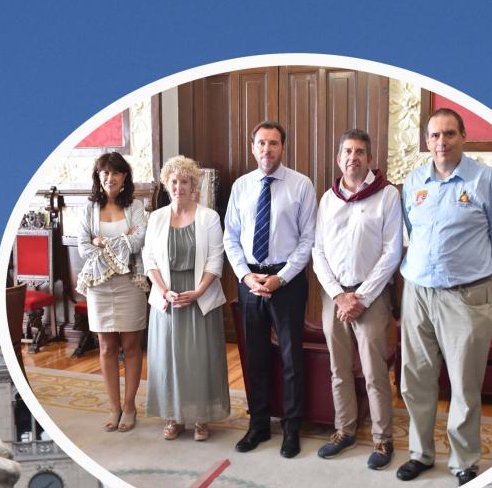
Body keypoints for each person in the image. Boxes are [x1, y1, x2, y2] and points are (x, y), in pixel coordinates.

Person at [397, 106, 492, 485]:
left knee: (463, 384)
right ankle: (420, 453)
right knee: (414, 380)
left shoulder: (487, 180)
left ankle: (464, 461)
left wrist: (469, 271)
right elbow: (411, 233)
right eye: (434, 135)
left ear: (463, 136)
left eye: (449, 134)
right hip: (417, 293)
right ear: (427, 141)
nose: (441, 142)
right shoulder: (413, 180)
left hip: (465, 296)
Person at [223, 120, 317, 457]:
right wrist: (246, 277)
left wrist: (282, 277)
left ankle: (292, 428)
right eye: (261, 143)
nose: (267, 149)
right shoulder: (242, 187)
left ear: (283, 147)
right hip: (250, 281)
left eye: (274, 143)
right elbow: (230, 237)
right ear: (253, 148)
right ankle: (259, 425)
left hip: (286, 281)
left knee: (292, 358)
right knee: (256, 357)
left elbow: (308, 238)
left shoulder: (301, 185)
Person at [312, 127, 403, 469]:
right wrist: (338, 296)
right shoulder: (328, 198)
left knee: (373, 371)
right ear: (339, 159)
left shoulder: (387, 196)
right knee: (338, 369)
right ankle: (344, 430)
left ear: (369, 158)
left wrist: (361, 297)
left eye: (360, 152)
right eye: (347, 152)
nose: (353, 157)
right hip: (334, 297)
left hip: (372, 297)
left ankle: (382, 439)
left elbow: (392, 252)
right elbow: (317, 250)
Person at [145, 156, 229, 442]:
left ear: (194, 186)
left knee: (199, 360)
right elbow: (149, 260)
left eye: (185, 182)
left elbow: (216, 261)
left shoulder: (209, 217)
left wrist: (198, 292)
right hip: (167, 299)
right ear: (166, 185)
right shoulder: (156, 218)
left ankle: (201, 418)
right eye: (174, 182)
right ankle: (173, 416)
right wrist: (163, 290)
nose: (179, 187)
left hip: (199, 297)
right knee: (168, 361)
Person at [74, 151, 148, 431]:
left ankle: (130, 406)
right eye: (105, 173)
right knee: (106, 347)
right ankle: (114, 407)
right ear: (98, 177)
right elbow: (83, 247)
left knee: (131, 346)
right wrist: (120, 240)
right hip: (99, 284)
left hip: (131, 282)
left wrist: (102, 241)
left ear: (124, 177)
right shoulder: (87, 209)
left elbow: (139, 240)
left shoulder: (136, 206)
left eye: (116, 173)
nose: (110, 177)